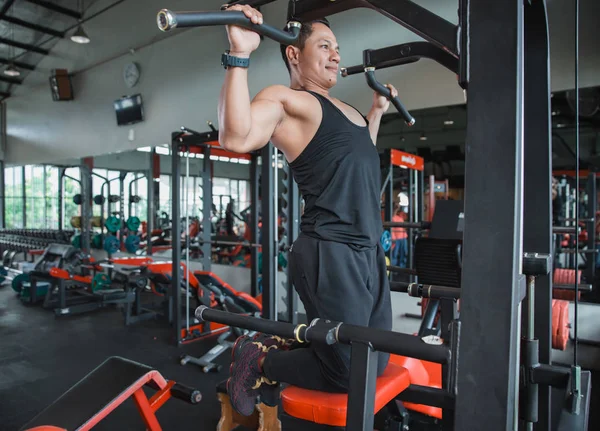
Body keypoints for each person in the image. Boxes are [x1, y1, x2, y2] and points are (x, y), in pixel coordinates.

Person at [217, 4, 398, 416]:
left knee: (379, 357)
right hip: (329, 250)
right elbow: (236, 135)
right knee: (350, 370)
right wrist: (239, 55)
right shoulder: (288, 101)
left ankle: (301, 343)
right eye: (324, 45)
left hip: (368, 253)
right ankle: (258, 358)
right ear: (294, 55)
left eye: (337, 47)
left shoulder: (348, 111)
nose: (336, 54)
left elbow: (358, 156)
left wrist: (376, 112)